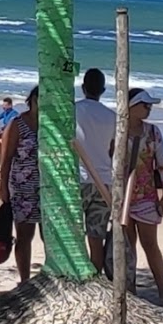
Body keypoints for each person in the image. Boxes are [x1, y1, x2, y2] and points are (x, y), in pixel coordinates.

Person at [119, 88, 163, 306]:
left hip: (145, 196)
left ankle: (162, 290)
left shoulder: (152, 132)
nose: (148, 109)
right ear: (131, 107)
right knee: (127, 245)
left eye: (149, 105)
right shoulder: (117, 131)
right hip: (121, 197)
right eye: (144, 105)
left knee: (150, 244)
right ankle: (130, 289)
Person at [73, 67, 117, 273]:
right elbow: (113, 149)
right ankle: (95, 275)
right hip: (104, 181)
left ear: (83, 88)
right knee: (96, 235)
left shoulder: (74, 110)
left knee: (73, 232)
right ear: (103, 90)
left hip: (79, 178)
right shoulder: (112, 116)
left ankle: (77, 273)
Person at [0, 86, 41, 284]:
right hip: (23, 187)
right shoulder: (18, 124)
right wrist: (3, 186)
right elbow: (5, 158)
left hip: (48, 188)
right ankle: (24, 280)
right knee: (24, 236)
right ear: (31, 99)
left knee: (50, 237)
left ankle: (47, 279)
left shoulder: (52, 126)